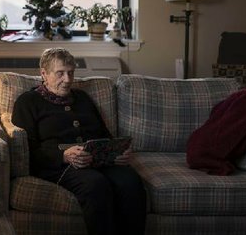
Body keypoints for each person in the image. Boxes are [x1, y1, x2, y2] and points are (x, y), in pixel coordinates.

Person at [11, 48, 146, 235]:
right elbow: (27, 149)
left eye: (71, 73)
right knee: (96, 185)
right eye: (60, 73)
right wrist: (63, 156)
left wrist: (116, 153)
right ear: (44, 73)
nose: (67, 79)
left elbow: (104, 134)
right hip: (59, 166)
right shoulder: (28, 102)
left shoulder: (82, 98)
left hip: (97, 160)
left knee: (130, 181)